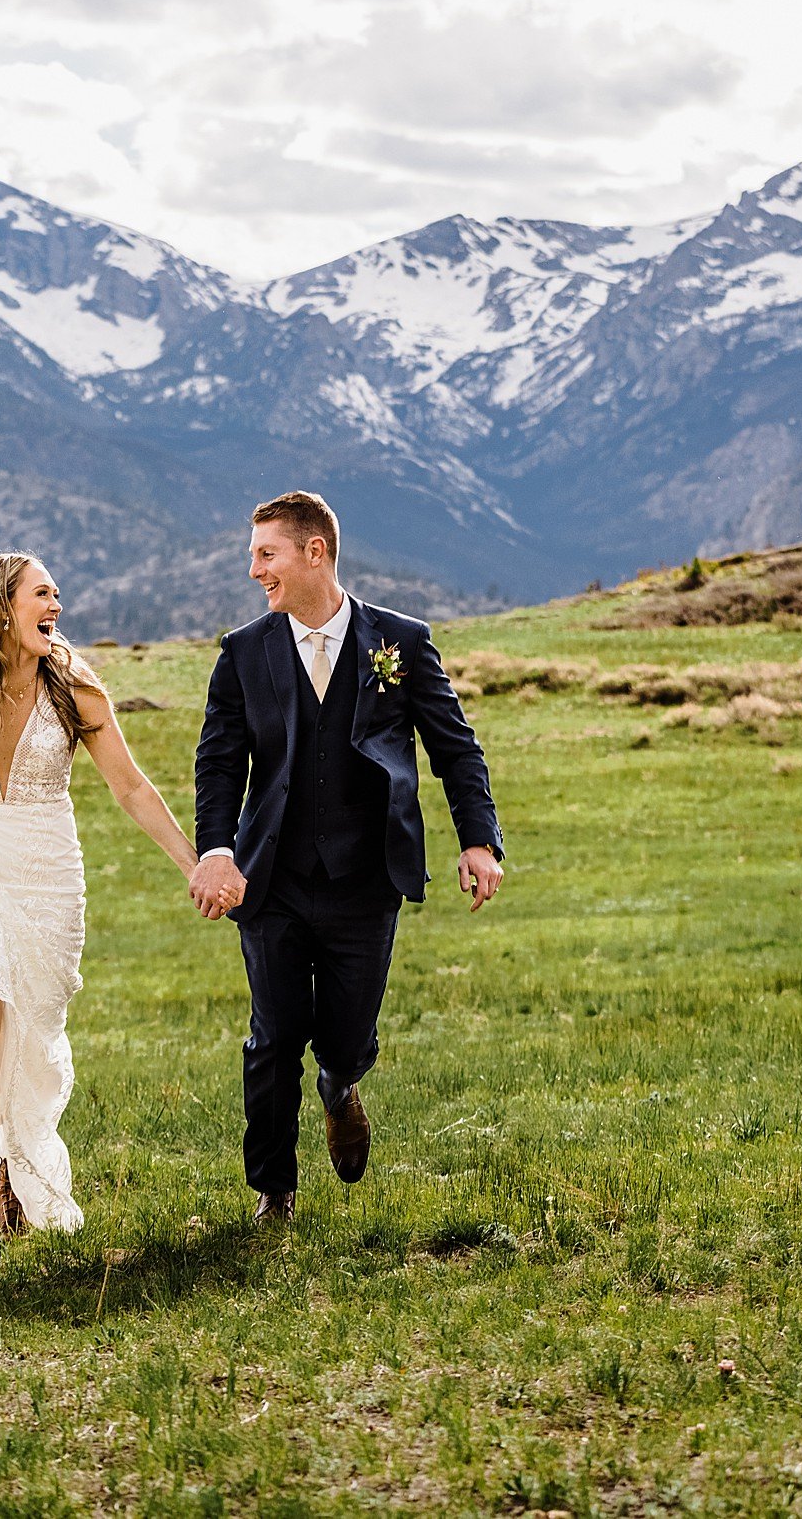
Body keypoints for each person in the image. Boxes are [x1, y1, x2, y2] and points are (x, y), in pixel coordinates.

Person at [190, 491, 505, 1221]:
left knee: (346, 1033)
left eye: (266, 554)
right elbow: (219, 764)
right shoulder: (242, 653)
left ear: (315, 552)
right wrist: (216, 849)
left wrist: (478, 840)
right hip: (268, 875)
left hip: (367, 878)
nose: (254, 570)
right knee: (272, 1036)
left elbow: (455, 748)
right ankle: (275, 1189)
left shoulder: (401, 641)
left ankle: (340, 1081)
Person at [0, 552, 199, 1234]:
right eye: (42, 594)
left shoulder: (74, 688)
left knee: (28, 1037)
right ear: (1, 605)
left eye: (58, 595)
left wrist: (192, 862)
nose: (56, 606)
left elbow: (131, 788)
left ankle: (17, 1171)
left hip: (48, 873)